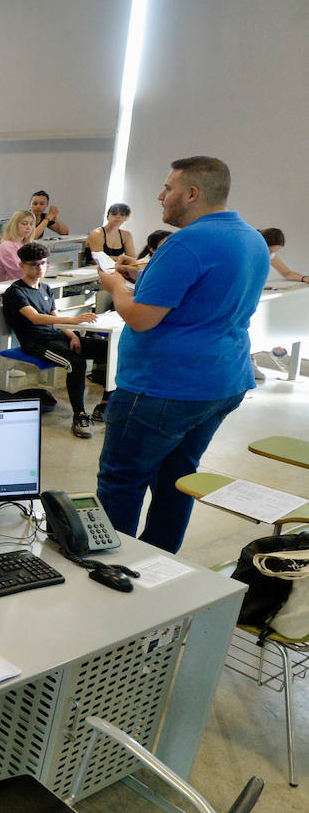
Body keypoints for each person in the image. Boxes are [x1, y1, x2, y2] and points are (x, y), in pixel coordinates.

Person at [95, 156, 266, 553]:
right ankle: (160, 561)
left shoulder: (186, 242)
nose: (160, 196)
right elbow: (203, 291)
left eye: (168, 188)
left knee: (123, 480)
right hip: (222, 380)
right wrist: (143, 276)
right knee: (178, 477)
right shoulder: (250, 238)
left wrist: (115, 284)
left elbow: (140, 317)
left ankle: (110, 566)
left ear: (192, 193)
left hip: (164, 388)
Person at [3, 241, 108, 438]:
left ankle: (106, 405)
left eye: (43, 263)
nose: (40, 268)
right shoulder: (15, 292)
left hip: (56, 337)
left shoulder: (45, 288)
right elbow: (35, 318)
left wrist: (73, 335)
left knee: (109, 350)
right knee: (75, 362)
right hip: (36, 343)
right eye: (33, 264)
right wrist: (73, 320)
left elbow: (54, 316)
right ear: (21, 266)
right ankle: (80, 414)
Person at [0, 210, 37, 282]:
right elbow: (19, 272)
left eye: (31, 224)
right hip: (14, 286)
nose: (28, 227)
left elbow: (45, 264)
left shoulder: (32, 244)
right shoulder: (6, 247)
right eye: (24, 224)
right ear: (15, 225)